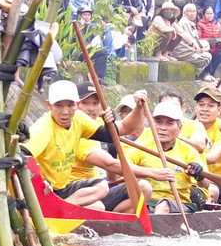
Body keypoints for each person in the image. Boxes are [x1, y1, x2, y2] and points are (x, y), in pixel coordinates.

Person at [24, 80, 148, 211]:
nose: (65, 112)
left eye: (70, 105)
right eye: (59, 105)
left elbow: (112, 134)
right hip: (45, 190)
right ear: (49, 105)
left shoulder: (79, 119)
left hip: (65, 189)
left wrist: (136, 109)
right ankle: (58, 211)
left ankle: (62, 208)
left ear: (76, 105)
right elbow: (22, 156)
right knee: (98, 206)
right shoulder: (43, 127)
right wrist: (153, 173)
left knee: (104, 188)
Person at [123, 99, 211, 214]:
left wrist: (199, 175)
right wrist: (151, 173)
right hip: (148, 201)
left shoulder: (188, 151)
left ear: (179, 128)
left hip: (178, 204)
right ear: (152, 125)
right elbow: (122, 167)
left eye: (169, 123)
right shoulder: (141, 147)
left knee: (163, 205)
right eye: (159, 122)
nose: (163, 128)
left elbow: (206, 184)